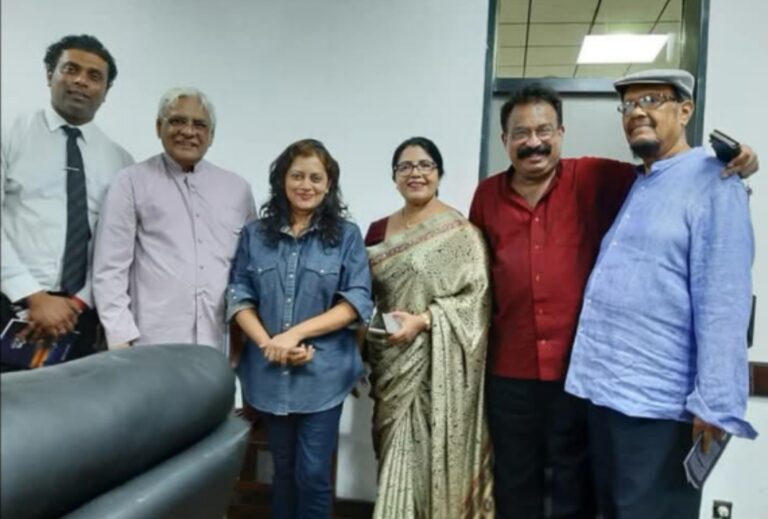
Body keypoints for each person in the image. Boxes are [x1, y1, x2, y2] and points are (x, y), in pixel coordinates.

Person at [468, 83, 758, 519]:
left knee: (576, 490)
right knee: (522, 485)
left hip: (586, 380)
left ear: (561, 134)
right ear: (504, 140)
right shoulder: (488, 197)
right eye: (521, 133)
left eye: (544, 130)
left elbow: (721, 295)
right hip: (539, 376)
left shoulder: (600, 177)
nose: (533, 143)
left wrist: (742, 162)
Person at [565, 69, 757, 519]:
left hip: (659, 409)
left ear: (685, 109)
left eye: (651, 99)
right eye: (629, 105)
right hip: (607, 396)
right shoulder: (644, 182)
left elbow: (723, 303)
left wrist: (716, 406)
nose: (638, 113)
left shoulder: (715, 181)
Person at [227, 139, 372, 519]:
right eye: (297, 176)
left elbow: (357, 302)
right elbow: (239, 296)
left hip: (322, 374)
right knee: (284, 471)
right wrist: (269, 343)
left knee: (312, 473)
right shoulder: (255, 234)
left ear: (328, 185)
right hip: (269, 370)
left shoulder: (346, 235)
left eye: (315, 177)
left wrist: (295, 335)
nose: (305, 185)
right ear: (281, 181)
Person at [364, 137, 494, 518]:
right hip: (390, 363)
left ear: (439, 174)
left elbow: (478, 299)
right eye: (405, 167)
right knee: (394, 455)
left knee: (430, 459)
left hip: (438, 367)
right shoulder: (377, 232)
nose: (415, 173)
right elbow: (364, 296)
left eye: (425, 166)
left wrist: (424, 321)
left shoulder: (461, 232)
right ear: (394, 177)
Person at [1, 34, 133, 371]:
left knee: (71, 417)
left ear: (106, 91)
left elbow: (117, 244)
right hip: (10, 304)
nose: (80, 81)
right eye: (70, 69)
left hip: (81, 315)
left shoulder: (120, 161)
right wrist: (32, 295)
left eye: (94, 76)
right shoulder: (10, 135)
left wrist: (79, 301)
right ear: (49, 75)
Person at [92, 87, 255, 350]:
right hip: (150, 341)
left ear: (211, 135)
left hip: (218, 342)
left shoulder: (238, 189)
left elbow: (248, 271)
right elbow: (110, 268)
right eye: (177, 121)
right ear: (159, 127)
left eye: (199, 124)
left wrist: (242, 339)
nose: (188, 132)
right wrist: (120, 336)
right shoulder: (131, 181)